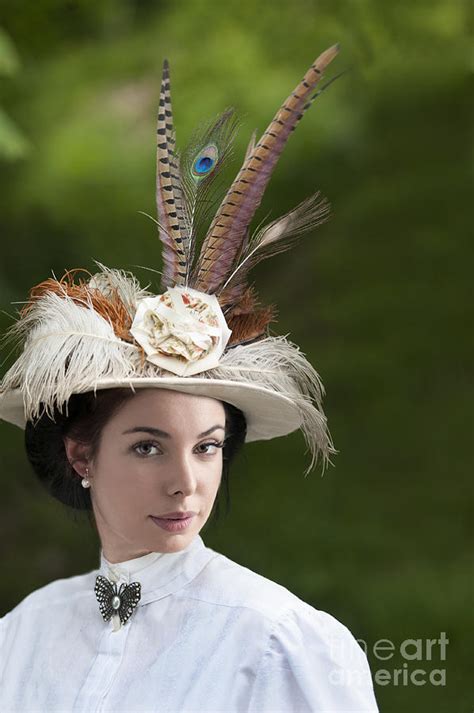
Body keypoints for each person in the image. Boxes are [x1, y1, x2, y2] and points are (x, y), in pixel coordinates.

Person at [0, 44, 379, 712]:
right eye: (148, 445)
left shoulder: (280, 640)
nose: (187, 480)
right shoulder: (25, 631)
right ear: (81, 452)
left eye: (207, 446)